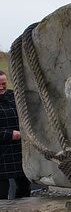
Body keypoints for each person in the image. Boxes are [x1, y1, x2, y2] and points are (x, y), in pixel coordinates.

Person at [0, 70, 30, 199]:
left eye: (4, 84)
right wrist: (10, 134)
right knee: (1, 191)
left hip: (19, 151)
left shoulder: (14, 96)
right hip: (1, 153)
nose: (1, 87)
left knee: (24, 187)